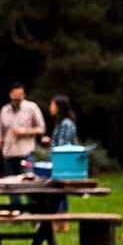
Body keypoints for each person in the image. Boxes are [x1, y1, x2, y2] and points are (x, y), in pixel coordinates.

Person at [0, 83, 45, 204]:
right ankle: (16, 213)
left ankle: (33, 214)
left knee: (29, 185)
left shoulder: (31, 108)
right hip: (8, 154)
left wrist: (25, 132)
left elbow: (41, 128)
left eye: (21, 95)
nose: (18, 98)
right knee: (11, 187)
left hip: (26, 154)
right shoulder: (5, 110)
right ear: (11, 95)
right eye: (16, 95)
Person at [42, 94, 78, 232]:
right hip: (60, 162)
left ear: (59, 107)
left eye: (52, 105)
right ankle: (60, 221)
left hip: (64, 164)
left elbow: (64, 146)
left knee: (60, 191)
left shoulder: (66, 124)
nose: (50, 108)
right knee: (60, 191)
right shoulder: (61, 123)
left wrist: (50, 144)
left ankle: (62, 221)